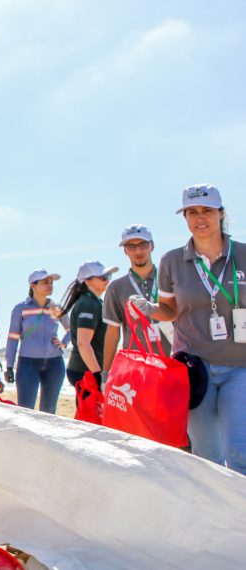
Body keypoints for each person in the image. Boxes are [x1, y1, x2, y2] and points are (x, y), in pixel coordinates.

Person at [131, 185, 245, 474]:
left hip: (240, 367)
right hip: (194, 369)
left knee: (240, 452)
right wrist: (150, 309)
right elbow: (169, 310)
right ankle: (214, 505)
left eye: (207, 210)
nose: (200, 218)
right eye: (192, 212)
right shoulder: (171, 261)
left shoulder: (243, 254)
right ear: (185, 217)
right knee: (206, 456)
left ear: (221, 213)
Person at [103, 224, 172, 373]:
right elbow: (112, 334)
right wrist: (105, 373)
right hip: (135, 369)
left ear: (152, 246)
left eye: (143, 244)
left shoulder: (170, 280)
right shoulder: (116, 288)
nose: (138, 251)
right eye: (131, 246)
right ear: (125, 251)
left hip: (172, 363)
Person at [5, 270, 70, 414]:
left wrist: (64, 343)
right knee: (25, 411)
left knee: (49, 413)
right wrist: (9, 366)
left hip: (55, 364)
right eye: (45, 282)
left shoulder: (56, 308)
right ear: (33, 286)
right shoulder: (20, 309)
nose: (50, 285)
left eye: (51, 282)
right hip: (28, 365)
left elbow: (71, 329)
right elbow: (13, 338)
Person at [60, 261, 116, 403]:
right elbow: (83, 343)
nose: (107, 280)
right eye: (102, 277)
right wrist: (97, 375)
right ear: (87, 281)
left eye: (108, 276)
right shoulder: (88, 303)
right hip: (85, 371)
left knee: (88, 413)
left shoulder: (95, 302)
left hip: (86, 370)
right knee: (90, 414)